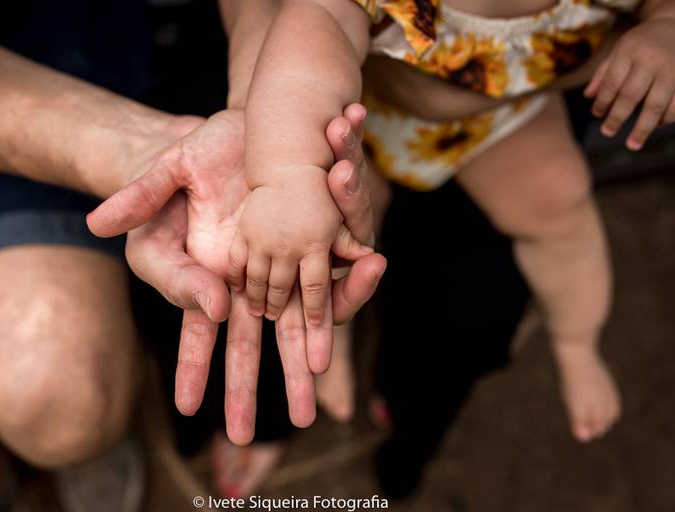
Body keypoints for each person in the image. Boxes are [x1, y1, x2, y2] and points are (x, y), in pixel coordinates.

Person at [0, 10, 384, 509]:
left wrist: (268, 124)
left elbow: (312, 20)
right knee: (50, 398)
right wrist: (141, 154)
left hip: (226, 43)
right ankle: (54, 443)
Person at [220, 0, 675, 443]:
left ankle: (577, 342)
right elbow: (321, 21)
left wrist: (666, 27)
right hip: (357, 105)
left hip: (500, 117)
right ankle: (327, 336)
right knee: (323, 222)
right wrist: (290, 172)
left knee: (561, 205)